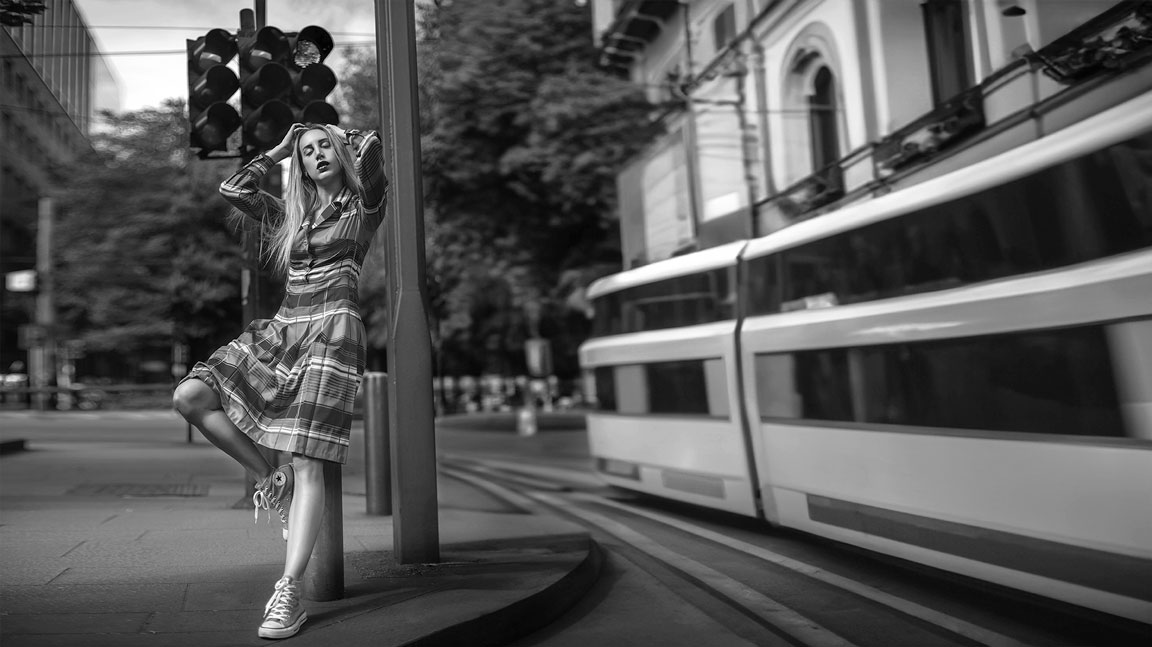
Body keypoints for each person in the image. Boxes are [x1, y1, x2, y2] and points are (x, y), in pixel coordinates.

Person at [173, 122, 386, 639]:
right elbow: (234, 189)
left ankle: (287, 591)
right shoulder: (290, 215)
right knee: (192, 395)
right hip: (282, 330)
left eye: (324, 148)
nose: (315, 156)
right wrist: (277, 151)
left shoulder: (364, 205)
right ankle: (272, 479)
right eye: (307, 151)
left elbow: (375, 154)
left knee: (309, 460)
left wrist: (346, 137)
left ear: (340, 153)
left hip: (334, 333)